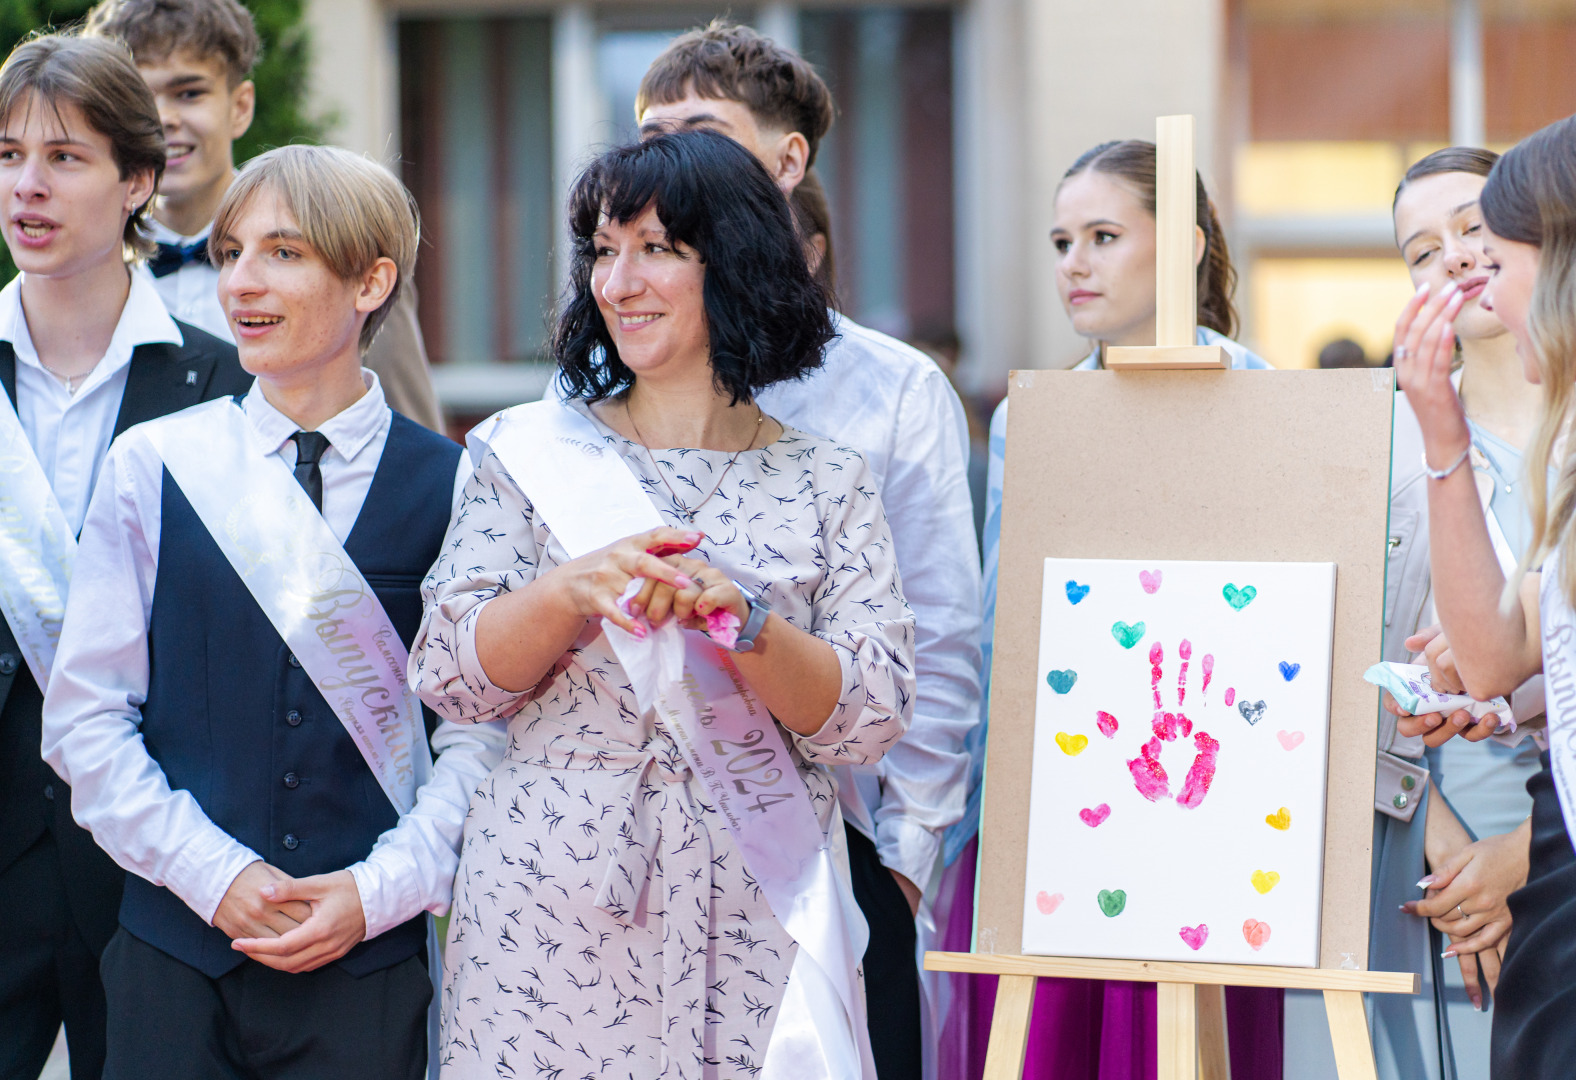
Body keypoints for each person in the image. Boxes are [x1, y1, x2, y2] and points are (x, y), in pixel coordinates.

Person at [414, 128, 915, 1079]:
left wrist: (752, 628)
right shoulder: (520, 453)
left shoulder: (827, 481)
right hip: (551, 898)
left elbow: (869, 718)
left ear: (735, 263)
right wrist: (568, 592)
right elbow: (450, 674)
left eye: (656, 249)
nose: (617, 282)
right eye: (603, 252)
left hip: (760, 894)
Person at [40, 143, 504, 1079]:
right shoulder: (154, 465)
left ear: (371, 281)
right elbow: (85, 722)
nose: (241, 284)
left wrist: (376, 896)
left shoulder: (461, 486)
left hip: (369, 974)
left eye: (282, 253)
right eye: (229, 252)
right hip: (173, 959)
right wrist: (219, 878)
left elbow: (480, 742)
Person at [622, 24, 982, 1079]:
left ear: (789, 162)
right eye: (651, 134)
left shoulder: (890, 389)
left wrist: (904, 864)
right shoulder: (589, 379)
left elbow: (944, 638)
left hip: (837, 853)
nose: (668, 159)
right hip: (631, 860)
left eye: (704, 132)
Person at [945, 139, 1276, 1080]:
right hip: (1054, 803)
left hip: (1220, 808)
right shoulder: (1030, 415)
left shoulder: (1272, 403)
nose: (1074, 264)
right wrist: (977, 824)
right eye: (1060, 241)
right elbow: (1005, 624)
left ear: (1185, 246)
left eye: (1102, 235)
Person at [0, 33, 248, 1080]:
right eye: (6, 154)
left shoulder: (229, 390)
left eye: (64, 156)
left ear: (138, 179)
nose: (26, 185)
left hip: (156, 849)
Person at [1390, 108, 1576, 1080]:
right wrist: (1441, 437)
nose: (1470, 278)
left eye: (1492, 250)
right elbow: (1495, 657)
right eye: (1427, 253)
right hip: (1573, 908)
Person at [1363, 147, 1542, 1080]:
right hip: (1416, 845)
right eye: (1421, 251)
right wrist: (1445, 850)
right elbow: (1337, 651)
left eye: (1474, 227)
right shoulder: (1385, 442)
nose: (1455, 259)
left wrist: (1523, 857)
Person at [82, 0, 447, 433]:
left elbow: (410, 442)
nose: (164, 119)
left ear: (240, 106)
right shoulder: (80, 274)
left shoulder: (340, 256)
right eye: (140, 99)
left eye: (189, 93)